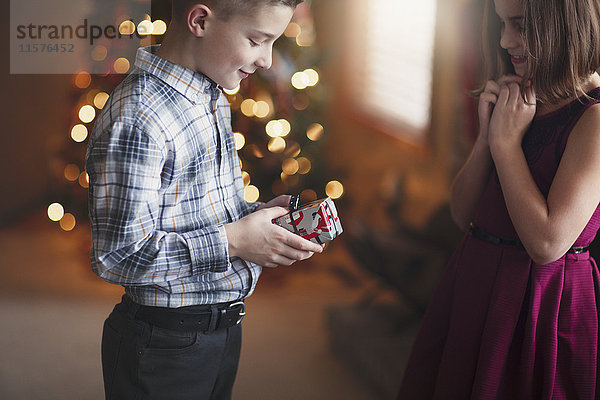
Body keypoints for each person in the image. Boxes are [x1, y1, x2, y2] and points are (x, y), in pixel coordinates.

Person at [85, 1, 322, 399]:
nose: (266, 60)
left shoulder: (207, 92)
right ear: (200, 21)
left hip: (221, 330)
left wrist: (256, 218)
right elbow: (117, 255)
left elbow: (198, 210)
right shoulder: (140, 116)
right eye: (257, 40)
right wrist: (233, 240)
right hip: (163, 343)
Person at [397, 0, 600, 398]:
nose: (505, 40)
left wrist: (507, 146)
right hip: (475, 276)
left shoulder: (593, 118)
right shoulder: (519, 100)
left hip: (538, 304)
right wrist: (487, 139)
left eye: (519, 25)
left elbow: (547, 243)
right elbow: (462, 215)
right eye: (502, 24)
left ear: (564, 25)